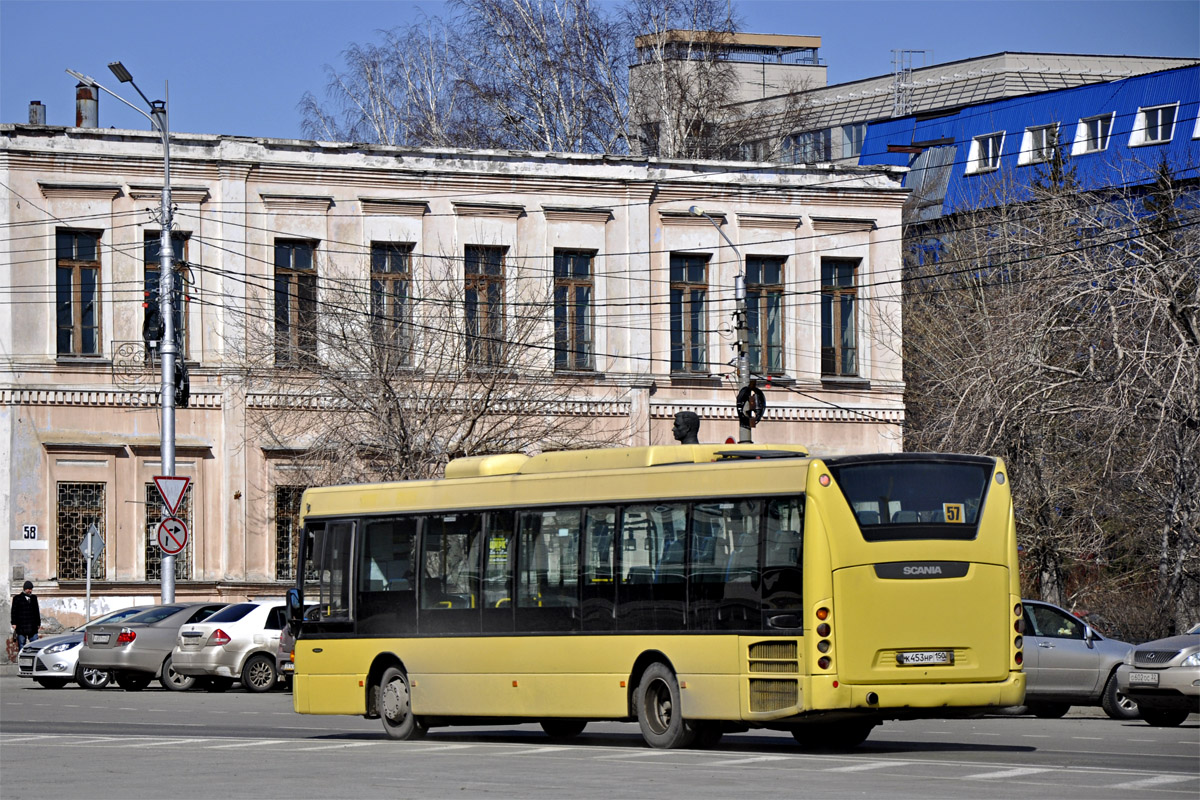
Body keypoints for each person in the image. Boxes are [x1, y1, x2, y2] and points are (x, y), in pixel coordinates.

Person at [11, 580, 41, 649]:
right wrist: (14, 623)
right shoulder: (17, 598)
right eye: (29, 589)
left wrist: (38, 623)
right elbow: (14, 611)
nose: (30, 591)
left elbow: (37, 611)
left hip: (32, 625)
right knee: (22, 644)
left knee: (35, 643)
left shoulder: (34, 598)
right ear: (25, 589)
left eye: (31, 589)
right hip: (21, 625)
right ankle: (21, 659)